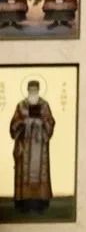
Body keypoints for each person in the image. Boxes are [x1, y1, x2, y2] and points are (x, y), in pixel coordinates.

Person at [10, 80, 54, 213]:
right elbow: (14, 124)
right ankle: (23, 204)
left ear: (38, 91)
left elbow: (50, 122)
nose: (33, 92)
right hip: (24, 146)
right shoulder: (21, 106)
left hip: (40, 147)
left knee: (40, 172)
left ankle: (40, 204)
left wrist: (40, 123)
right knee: (24, 172)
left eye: (35, 90)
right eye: (31, 90)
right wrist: (24, 122)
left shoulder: (44, 105)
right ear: (27, 90)